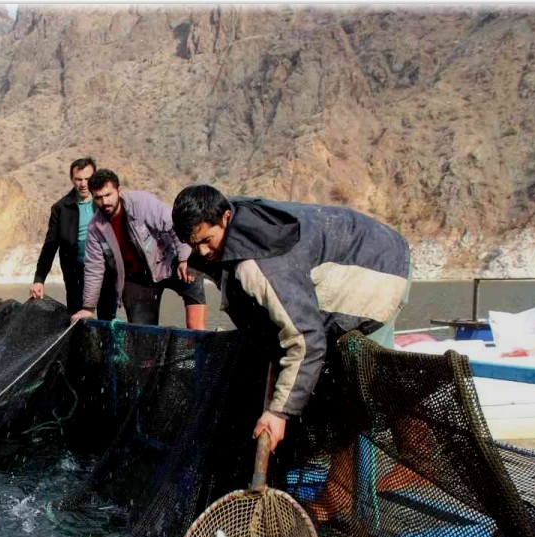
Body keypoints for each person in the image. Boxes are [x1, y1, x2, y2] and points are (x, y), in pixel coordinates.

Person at [170, 185, 412, 455]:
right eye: (193, 245)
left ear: (226, 218)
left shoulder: (261, 265)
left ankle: (410, 457)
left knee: (363, 387)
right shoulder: (230, 224)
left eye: (207, 240)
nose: (202, 252)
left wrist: (279, 413)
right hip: (344, 255)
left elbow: (305, 339)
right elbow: (271, 332)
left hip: (381, 268)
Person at [69, 169, 207, 329]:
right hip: (136, 278)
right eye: (99, 197)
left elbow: (174, 224)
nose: (105, 202)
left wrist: (184, 258)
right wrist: (88, 308)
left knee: (194, 312)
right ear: (93, 197)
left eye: (108, 195)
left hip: (170, 260)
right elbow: (94, 269)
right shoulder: (95, 228)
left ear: (118, 191)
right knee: (143, 335)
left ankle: (198, 343)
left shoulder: (141, 203)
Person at [30, 157, 117, 320]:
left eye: (87, 179)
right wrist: (39, 279)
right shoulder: (60, 208)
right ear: (72, 179)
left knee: (107, 319)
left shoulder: (106, 203)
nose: (83, 184)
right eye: (78, 179)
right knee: (77, 319)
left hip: (105, 271)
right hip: (76, 274)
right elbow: (50, 246)